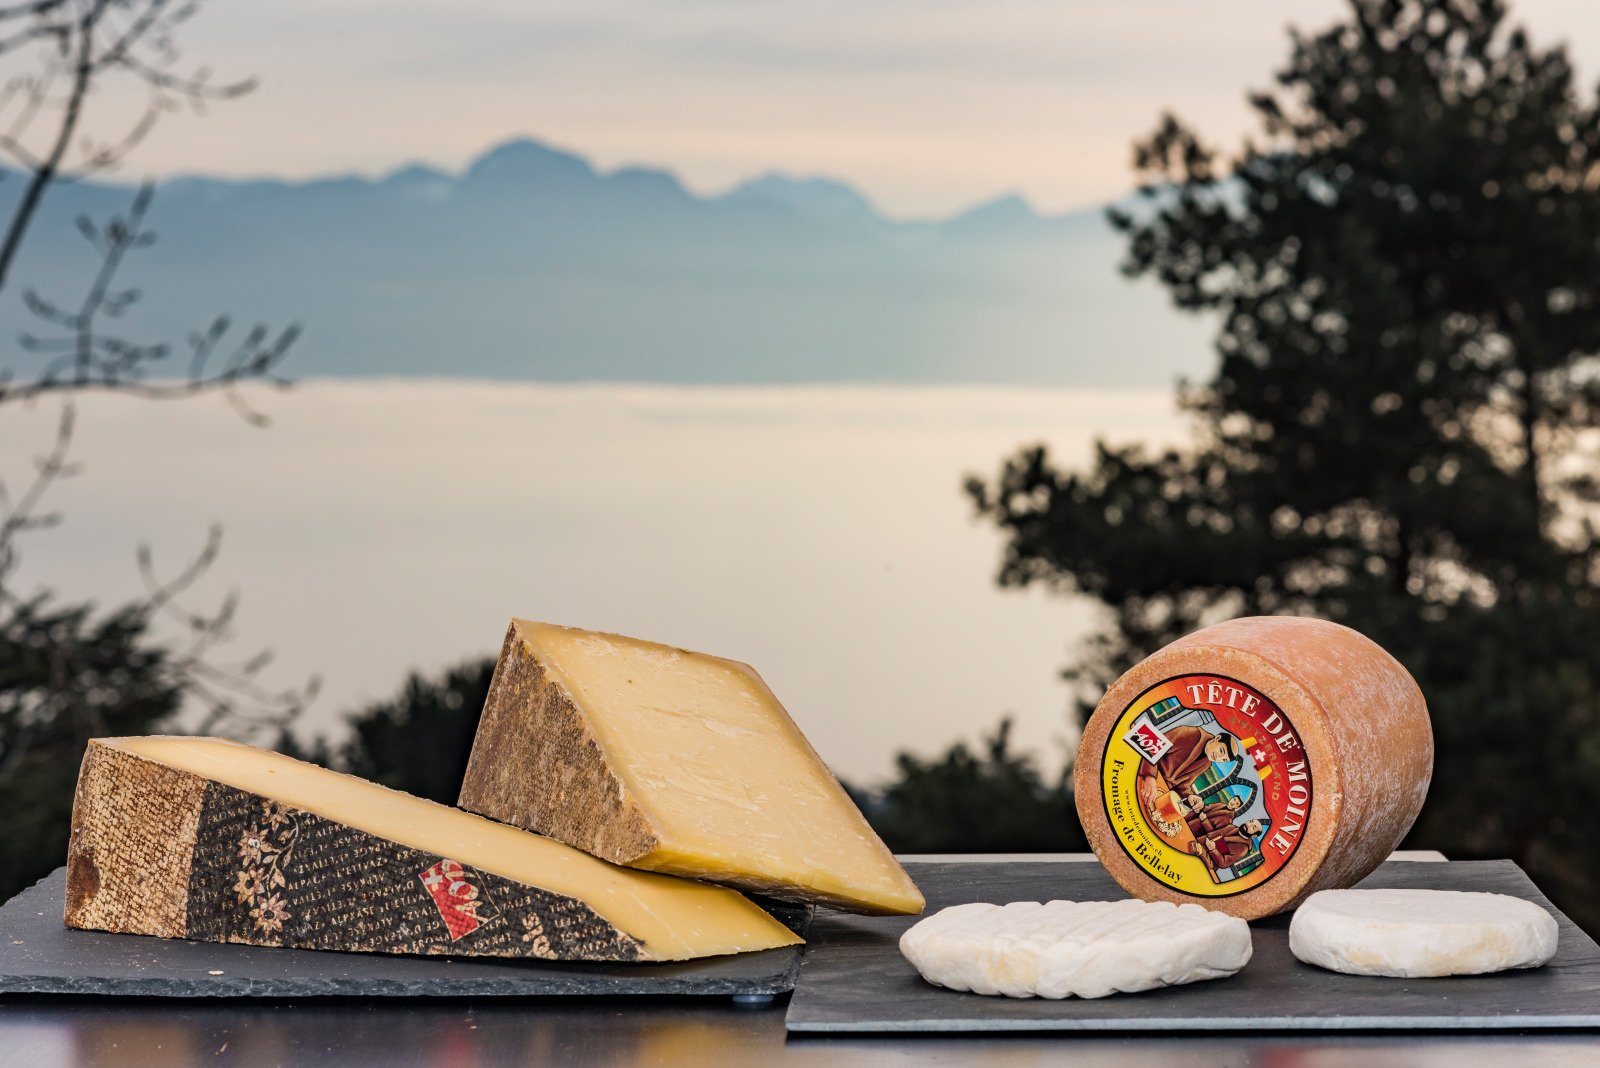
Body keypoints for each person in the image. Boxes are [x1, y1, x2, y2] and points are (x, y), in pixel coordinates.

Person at [1155, 726, 1242, 795]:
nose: (1218, 758)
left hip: (1161, 789)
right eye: (1221, 751)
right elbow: (1152, 746)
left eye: (1223, 759)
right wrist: (1150, 776)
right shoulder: (1190, 733)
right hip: (1150, 773)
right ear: (1218, 738)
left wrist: (1190, 797)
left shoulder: (1207, 763)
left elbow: (1184, 785)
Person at [1190, 817, 1271, 874]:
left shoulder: (1243, 847)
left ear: (1254, 836)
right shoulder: (1232, 827)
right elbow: (1212, 833)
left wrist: (1212, 849)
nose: (1249, 824)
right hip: (1195, 843)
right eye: (1250, 821)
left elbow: (1223, 863)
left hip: (1202, 860)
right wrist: (1205, 821)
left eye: (1253, 827)